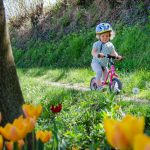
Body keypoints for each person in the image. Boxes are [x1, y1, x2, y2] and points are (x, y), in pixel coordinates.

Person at [91, 23, 122, 91]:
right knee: (99, 72)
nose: (105, 37)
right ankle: (98, 86)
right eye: (103, 36)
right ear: (99, 36)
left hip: (104, 64)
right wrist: (98, 55)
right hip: (96, 63)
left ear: (110, 36)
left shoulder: (110, 45)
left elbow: (113, 52)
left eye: (107, 36)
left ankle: (114, 87)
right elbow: (93, 52)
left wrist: (117, 56)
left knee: (105, 78)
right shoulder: (97, 44)